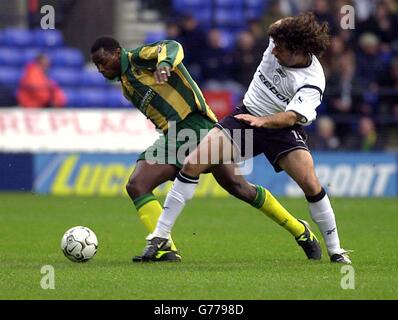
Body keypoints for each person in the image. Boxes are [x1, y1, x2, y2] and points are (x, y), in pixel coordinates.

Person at [135, 13, 351, 264]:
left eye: (280, 48)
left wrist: (264, 122)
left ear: (298, 50)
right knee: (193, 163)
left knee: (310, 183)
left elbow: (292, 117)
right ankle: (160, 236)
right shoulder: (277, 40)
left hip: (280, 129)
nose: (273, 50)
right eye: (275, 44)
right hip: (246, 115)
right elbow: (276, 28)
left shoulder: (313, 80)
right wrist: (285, 26)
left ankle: (336, 250)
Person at [91, 36, 321, 262]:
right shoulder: (126, 85)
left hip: (192, 124)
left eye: (103, 61)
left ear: (116, 52)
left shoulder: (138, 59)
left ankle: (163, 247)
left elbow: (172, 46)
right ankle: (300, 230)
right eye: (96, 65)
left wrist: (163, 64)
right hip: (180, 132)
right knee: (240, 187)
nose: (100, 68)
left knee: (137, 184)